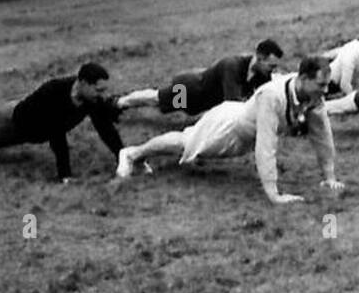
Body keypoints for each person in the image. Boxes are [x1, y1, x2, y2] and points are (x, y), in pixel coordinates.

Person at [116, 55, 342, 204]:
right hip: (227, 128)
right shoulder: (272, 96)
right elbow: (266, 147)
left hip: (242, 132)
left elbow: (322, 136)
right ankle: (132, 153)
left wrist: (329, 178)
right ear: (303, 79)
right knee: (186, 142)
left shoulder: (313, 97)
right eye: (320, 85)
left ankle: (137, 153)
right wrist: (274, 194)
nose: (324, 91)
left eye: (325, 85)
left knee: (186, 141)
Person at [0, 62, 124, 182]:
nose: (102, 94)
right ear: (82, 83)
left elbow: (105, 129)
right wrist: (65, 175)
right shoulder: (54, 91)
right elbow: (57, 134)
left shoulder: (91, 100)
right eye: (98, 90)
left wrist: (123, 157)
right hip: (11, 122)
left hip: (30, 130)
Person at [116, 39, 283, 114]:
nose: (272, 70)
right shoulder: (232, 65)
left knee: (157, 101)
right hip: (188, 91)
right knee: (156, 99)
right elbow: (232, 104)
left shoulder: (262, 74)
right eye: (271, 66)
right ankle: (120, 102)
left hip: (202, 102)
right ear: (260, 58)